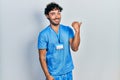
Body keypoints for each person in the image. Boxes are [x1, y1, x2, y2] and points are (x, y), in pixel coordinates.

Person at [38, 2, 82, 80]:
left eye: (58, 13)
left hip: (68, 72)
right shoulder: (43, 34)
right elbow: (42, 57)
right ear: (47, 16)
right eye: (53, 14)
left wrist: (77, 31)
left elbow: (75, 48)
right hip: (53, 74)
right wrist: (48, 75)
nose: (57, 16)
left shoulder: (67, 30)